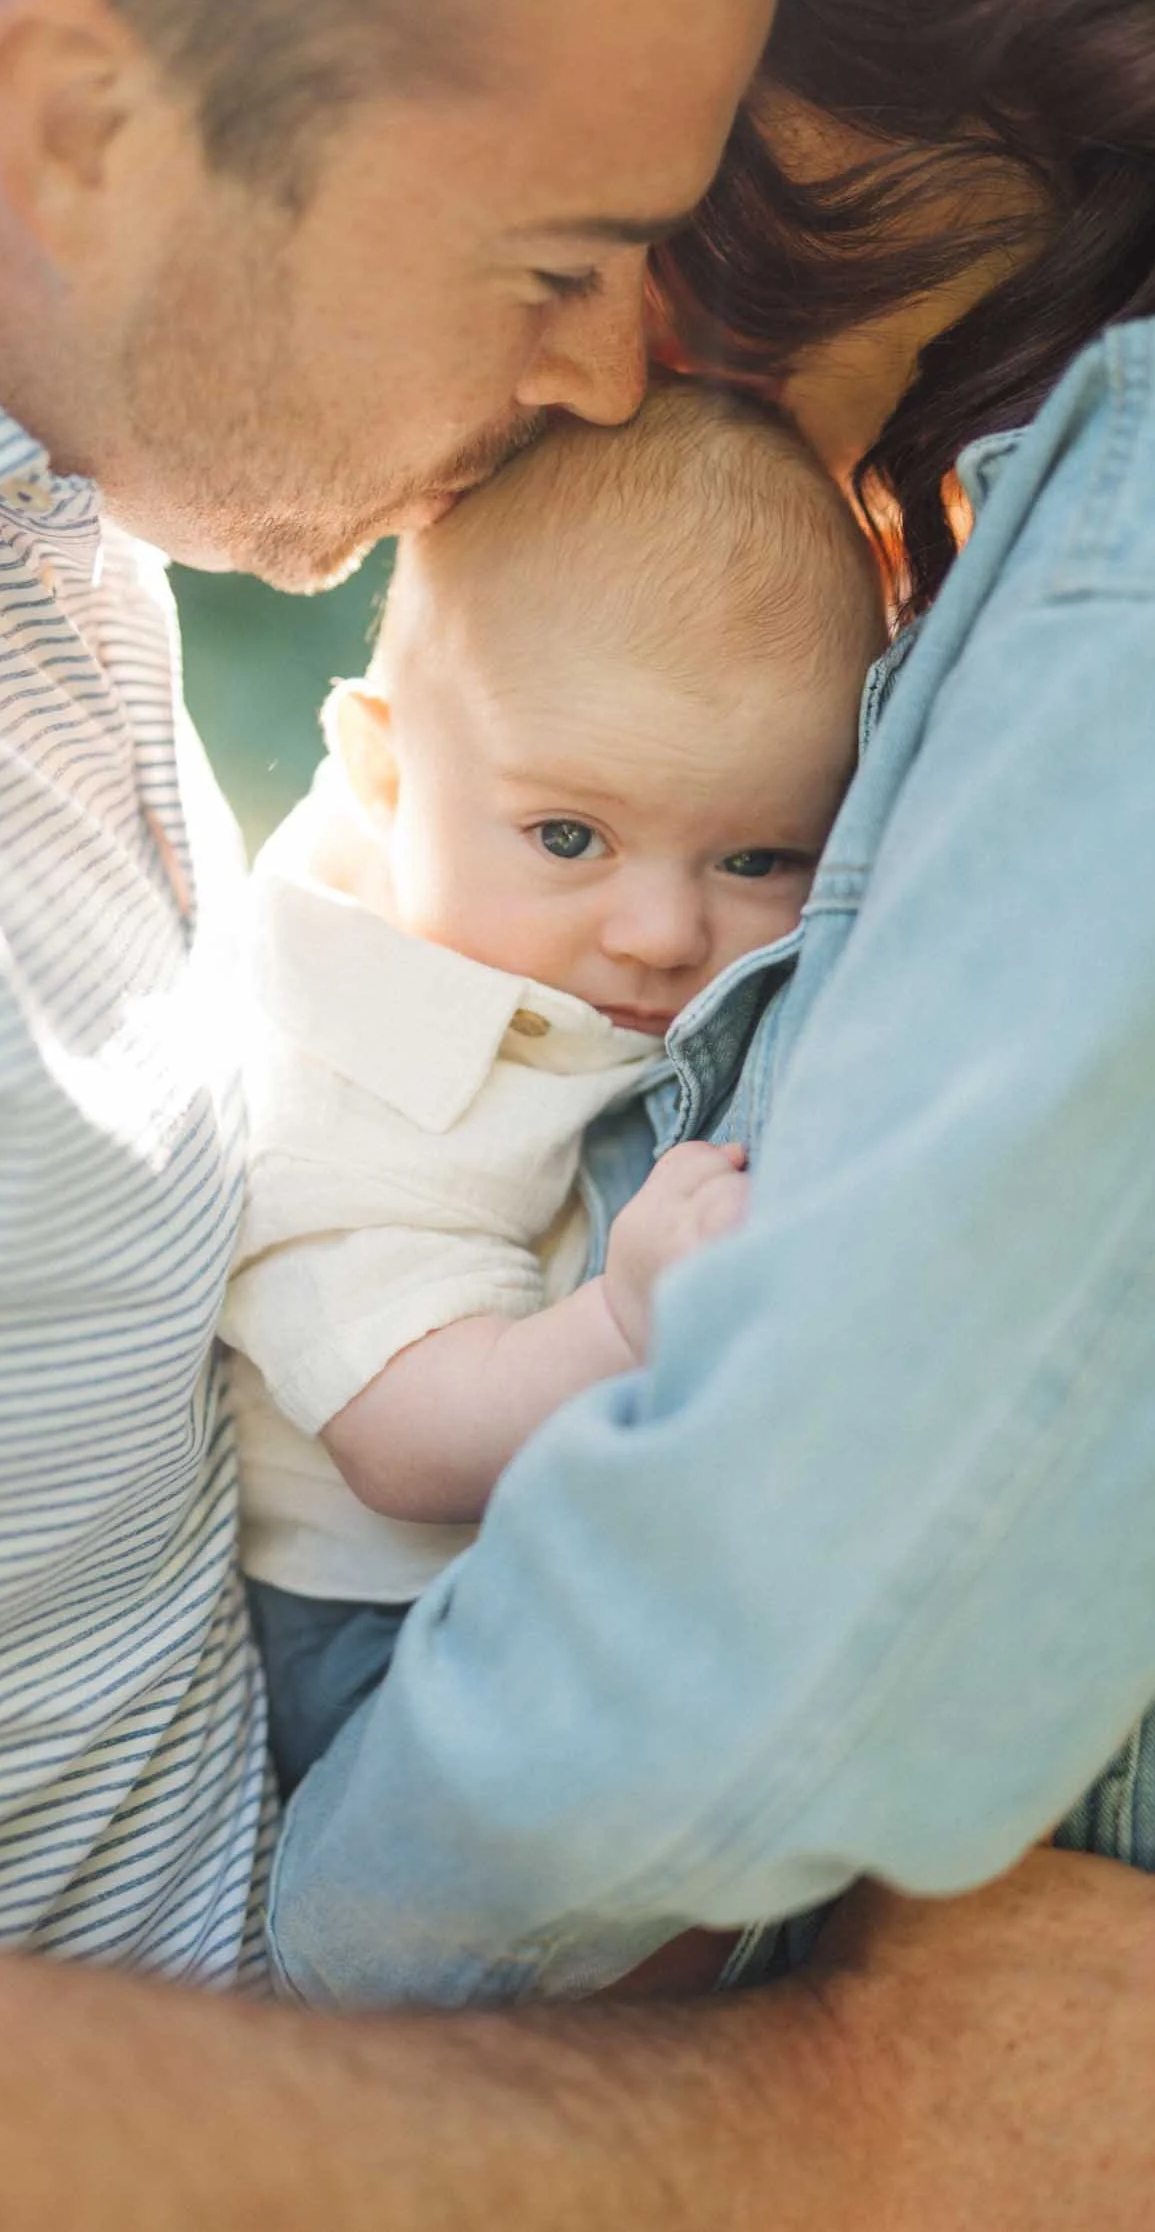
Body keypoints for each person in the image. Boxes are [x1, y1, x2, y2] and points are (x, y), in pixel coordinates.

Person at [0, 0, 1155, 2224]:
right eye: (558, 262)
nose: (624, 373)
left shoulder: (42, 491)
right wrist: (877, 2130)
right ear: (82, 126)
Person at [258, 0, 1155, 2009]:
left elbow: (801, 1589)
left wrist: (333, 2001)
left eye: (678, 211)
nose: (619, 352)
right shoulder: (341, 1007)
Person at [226, 384, 880, 1794]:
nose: (658, 930)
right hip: (377, 1635)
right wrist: (623, 1319)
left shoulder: (538, 946)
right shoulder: (351, 1059)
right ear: (386, 772)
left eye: (759, 857)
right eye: (570, 834)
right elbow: (401, 1439)